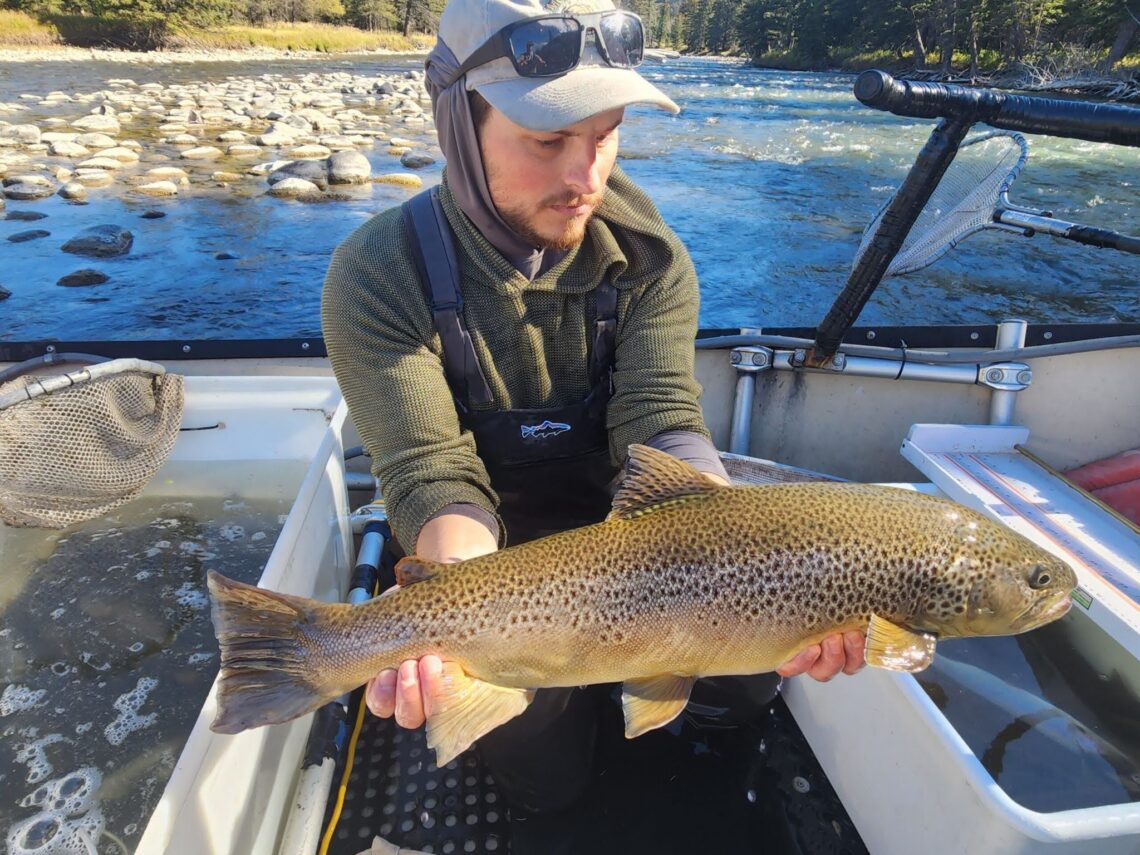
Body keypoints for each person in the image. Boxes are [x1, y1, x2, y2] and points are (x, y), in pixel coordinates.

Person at [321, 0, 864, 831]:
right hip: (483, 560)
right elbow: (433, 476)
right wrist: (457, 620)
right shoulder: (378, 274)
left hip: (649, 546)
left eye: (606, 133)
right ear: (457, 129)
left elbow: (662, 420)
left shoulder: (649, 257)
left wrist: (745, 569)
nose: (587, 176)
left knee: (752, 671)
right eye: (548, 140)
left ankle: (700, 762)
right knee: (541, 758)